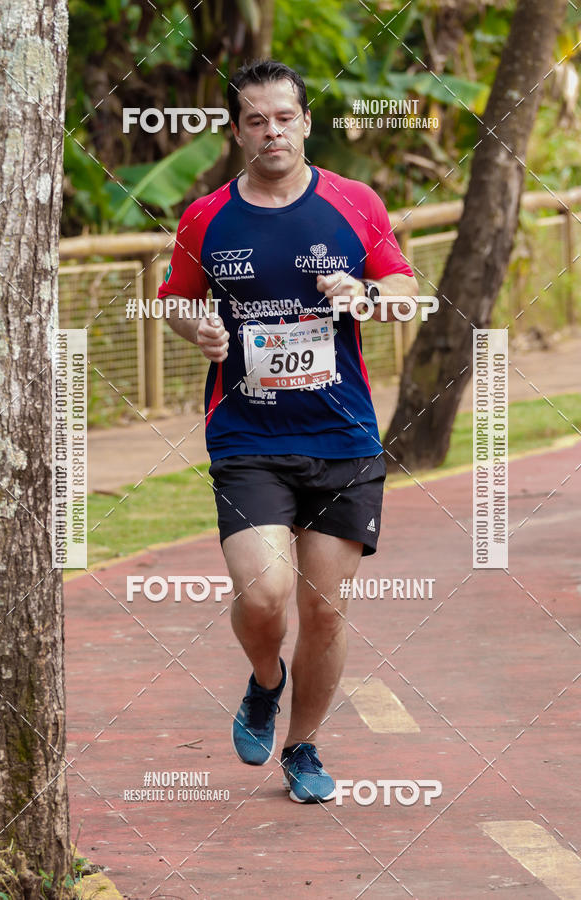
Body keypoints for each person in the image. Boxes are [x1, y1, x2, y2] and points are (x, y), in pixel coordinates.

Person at [158, 59, 418, 803]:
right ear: (237, 131)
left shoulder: (353, 202)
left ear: (305, 121)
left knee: (325, 611)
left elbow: (403, 288)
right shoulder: (206, 216)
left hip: (344, 438)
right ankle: (264, 682)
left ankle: (302, 750)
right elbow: (175, 297)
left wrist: (364, 291)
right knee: (267, 595)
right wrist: (196, 325)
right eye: (255, 120)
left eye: (284, 117)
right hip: (246, 437)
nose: (272, 131)